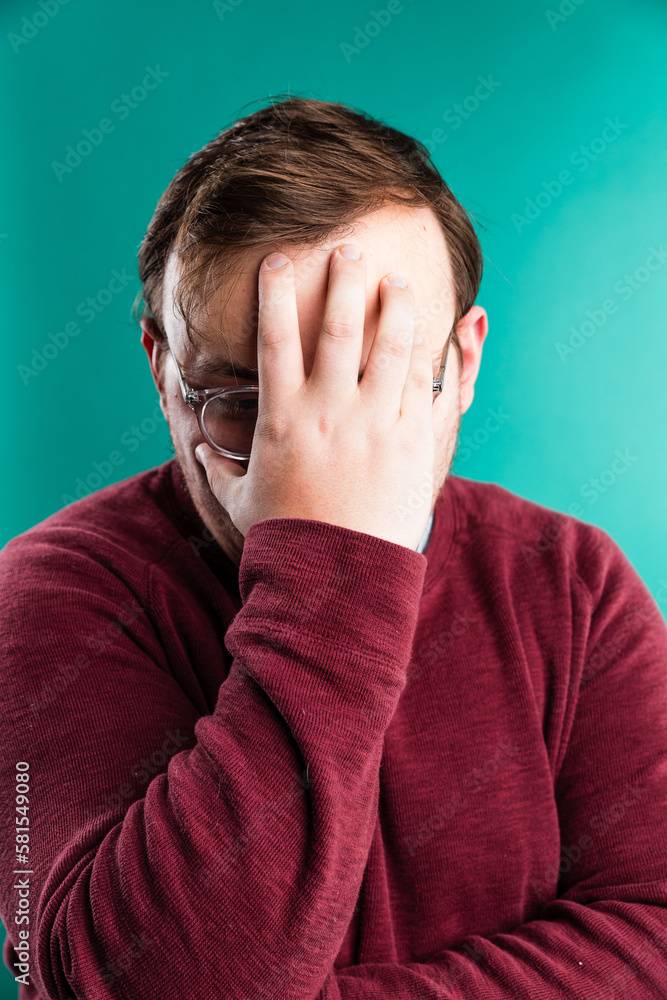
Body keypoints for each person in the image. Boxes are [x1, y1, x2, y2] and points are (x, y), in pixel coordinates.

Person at [1, 95, 666, 1000]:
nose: (312, 452)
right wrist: (334, 561)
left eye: (375, 386)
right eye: (244, 403)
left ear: (463, 365)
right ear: (160, 367)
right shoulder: (43, 597)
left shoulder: (571, 580)